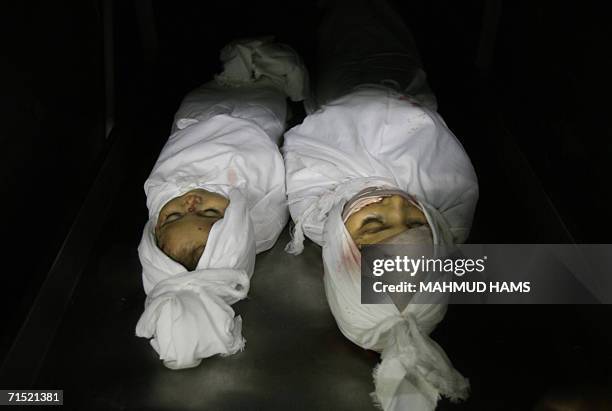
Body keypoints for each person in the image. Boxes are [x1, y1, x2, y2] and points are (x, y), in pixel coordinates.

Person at [283, 0, 478, 409]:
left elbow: (310, 143)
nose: (395, 202)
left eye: (373, 223)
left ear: (339, 245)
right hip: (405, 79)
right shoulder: (450, 194)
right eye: (415, 220)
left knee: (343, 33)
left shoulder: (315, 203)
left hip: (340, 84)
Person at [135, 37, 308, 370]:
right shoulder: (259, 217)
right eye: (210, 212)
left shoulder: (161, 190)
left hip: (198, 113)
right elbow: (270, 167)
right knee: (266, 95)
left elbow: (169, 168)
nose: (191, 200)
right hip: (257, 116)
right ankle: (265, 69)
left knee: (214, 89)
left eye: (171, 215)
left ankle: (246, 63)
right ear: (239, 225)